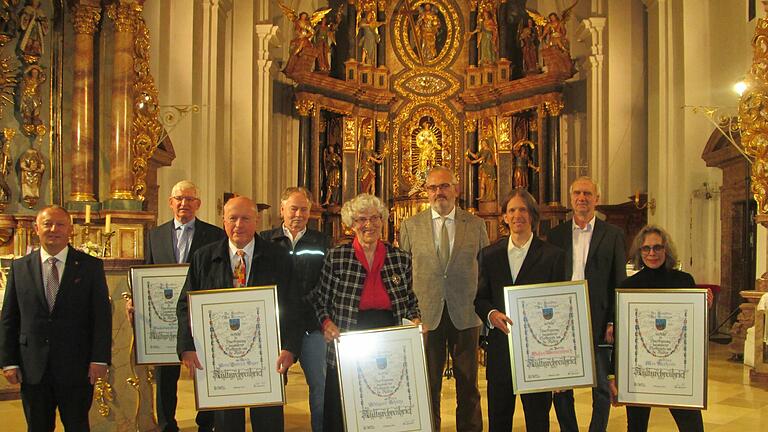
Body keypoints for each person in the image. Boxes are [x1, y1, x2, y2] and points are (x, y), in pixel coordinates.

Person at [176, 196, 302, 431]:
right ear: (223, 221)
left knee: (269, 422)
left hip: (268, 359)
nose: (239, 225)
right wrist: (187, 346)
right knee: (226, 423)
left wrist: (290, 347)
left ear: (257, 220)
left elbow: (294, 304)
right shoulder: (203, 257)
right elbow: (186, 305)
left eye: (245, 218)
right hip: (221, 363)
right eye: (232, 218)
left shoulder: (278, 257)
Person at [313, 193, 423, 432]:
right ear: (352, 224)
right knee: (343, 408)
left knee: (382, 404)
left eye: (375, 218)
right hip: (347, 337)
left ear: (383, 221)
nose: (369, 225)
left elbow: (410, 300)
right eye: (362, 219)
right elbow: (320, 300)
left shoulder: (400, 259)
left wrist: (415, 319)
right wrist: (327, 324)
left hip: (388, 339)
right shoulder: (338, 257)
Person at [0, 205, 111, 431]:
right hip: (33, 368)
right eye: (47, 224)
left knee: (77, 425)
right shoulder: (20, 267)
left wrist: (99, 359)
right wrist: (8, 361)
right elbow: (9, 318)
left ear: (70, 229)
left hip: (77, 367)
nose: (53, 229)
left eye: (60, 224)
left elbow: (101, 316)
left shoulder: (90, 266)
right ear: (36, 228)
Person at [127, 180, 225, 432]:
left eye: (190, 199)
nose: (184, 203)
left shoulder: (214, 234)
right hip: (165, 318)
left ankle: (206, 422)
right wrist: (135, 298)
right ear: (170, 203)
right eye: (179, 198)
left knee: (203, 369)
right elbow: (147, 272)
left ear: (198, 204)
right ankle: (167, 424)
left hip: (199, 314)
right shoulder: (155, 235)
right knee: (165, 374)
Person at [398, 166, 487, 431]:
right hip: (425, 317)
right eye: (433, 188)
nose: (439, 192)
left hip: (466, 314)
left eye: (444, 186)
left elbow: (484, 270)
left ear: (456, 190)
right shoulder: (410, 226)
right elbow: (403, 275)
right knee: (428, 384)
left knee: (469, 384)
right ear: (426, 192)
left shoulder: (476, 224)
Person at [475, 189, 566, 431]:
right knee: (499, 420)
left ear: (532, 215)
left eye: (523, 209)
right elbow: (480, 298)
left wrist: (558, 364)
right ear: (504, 217)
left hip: (539, 353)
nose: (517, 215)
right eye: (512, 210)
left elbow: (561, 308)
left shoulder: (553, 256)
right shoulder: (489, 255)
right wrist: (491, 314)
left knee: (537, 420)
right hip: (501, 350)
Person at [608, 225, 711, 432]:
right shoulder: (628, 286)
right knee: (636, 426)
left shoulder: (684, 281)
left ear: (666, 250)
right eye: (646, 249)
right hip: (639, 371)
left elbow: (693, 329)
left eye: (657, 247)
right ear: (639, 252)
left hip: (677, 370)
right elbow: (622, 338)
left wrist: (704, 306)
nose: (652, 253)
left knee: (691, 424)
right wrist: (614, 375)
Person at [548, 177, 627, 432]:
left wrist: (614, 320)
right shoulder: (555, 234)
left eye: (587, 194)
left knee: (601, 385)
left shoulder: (613, 234)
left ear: (597, 199)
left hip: (599, 317)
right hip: (563, 320)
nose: (582, 198)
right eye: (577, 193)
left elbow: (619, 280)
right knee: (562, 385)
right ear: (571, 199)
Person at [261, 187, 331, 432]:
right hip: (278, 328)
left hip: (312, 326)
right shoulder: (265, 241)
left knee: (320, 387)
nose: (298, 214)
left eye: (304, 209)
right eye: (293, 208)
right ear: (282, 210)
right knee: (272, 388)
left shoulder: (322, 241)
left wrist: (306, 304)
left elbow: (326, 281)